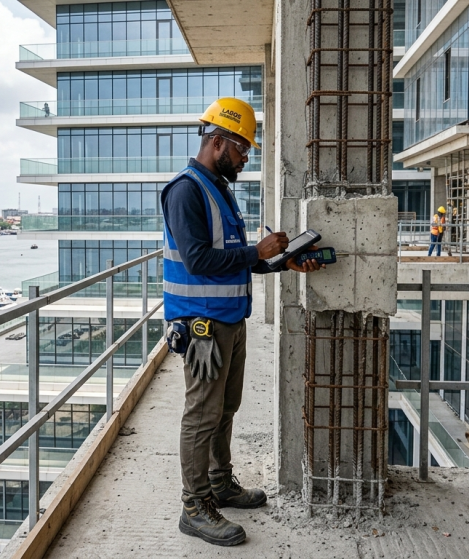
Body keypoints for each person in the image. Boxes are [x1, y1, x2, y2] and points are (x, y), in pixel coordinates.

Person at [162, 97, 323, 547]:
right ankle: (194, 507)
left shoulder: (220, 189)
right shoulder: (185, 190)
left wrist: (281, 263)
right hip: (202, 326)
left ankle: (219, 484)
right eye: (242, 148)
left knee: (225, 409)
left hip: (229, 321)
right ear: (217, 142)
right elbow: (197, 260)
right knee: (201, 415)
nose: (246, 157)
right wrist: (258, 251)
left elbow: (232, 262)